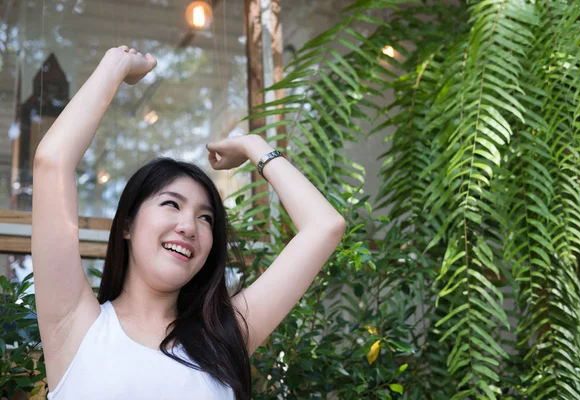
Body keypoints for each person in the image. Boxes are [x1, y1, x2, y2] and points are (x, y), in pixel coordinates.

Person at [31, 45, 346, 400]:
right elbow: (52, 162)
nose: (188, 226)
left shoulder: (224, 337)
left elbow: (324, 226)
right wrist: (117, 65)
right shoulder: (76, 326)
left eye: (205, 217)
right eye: (171, 204)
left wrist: (254, 146)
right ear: (127, 225)